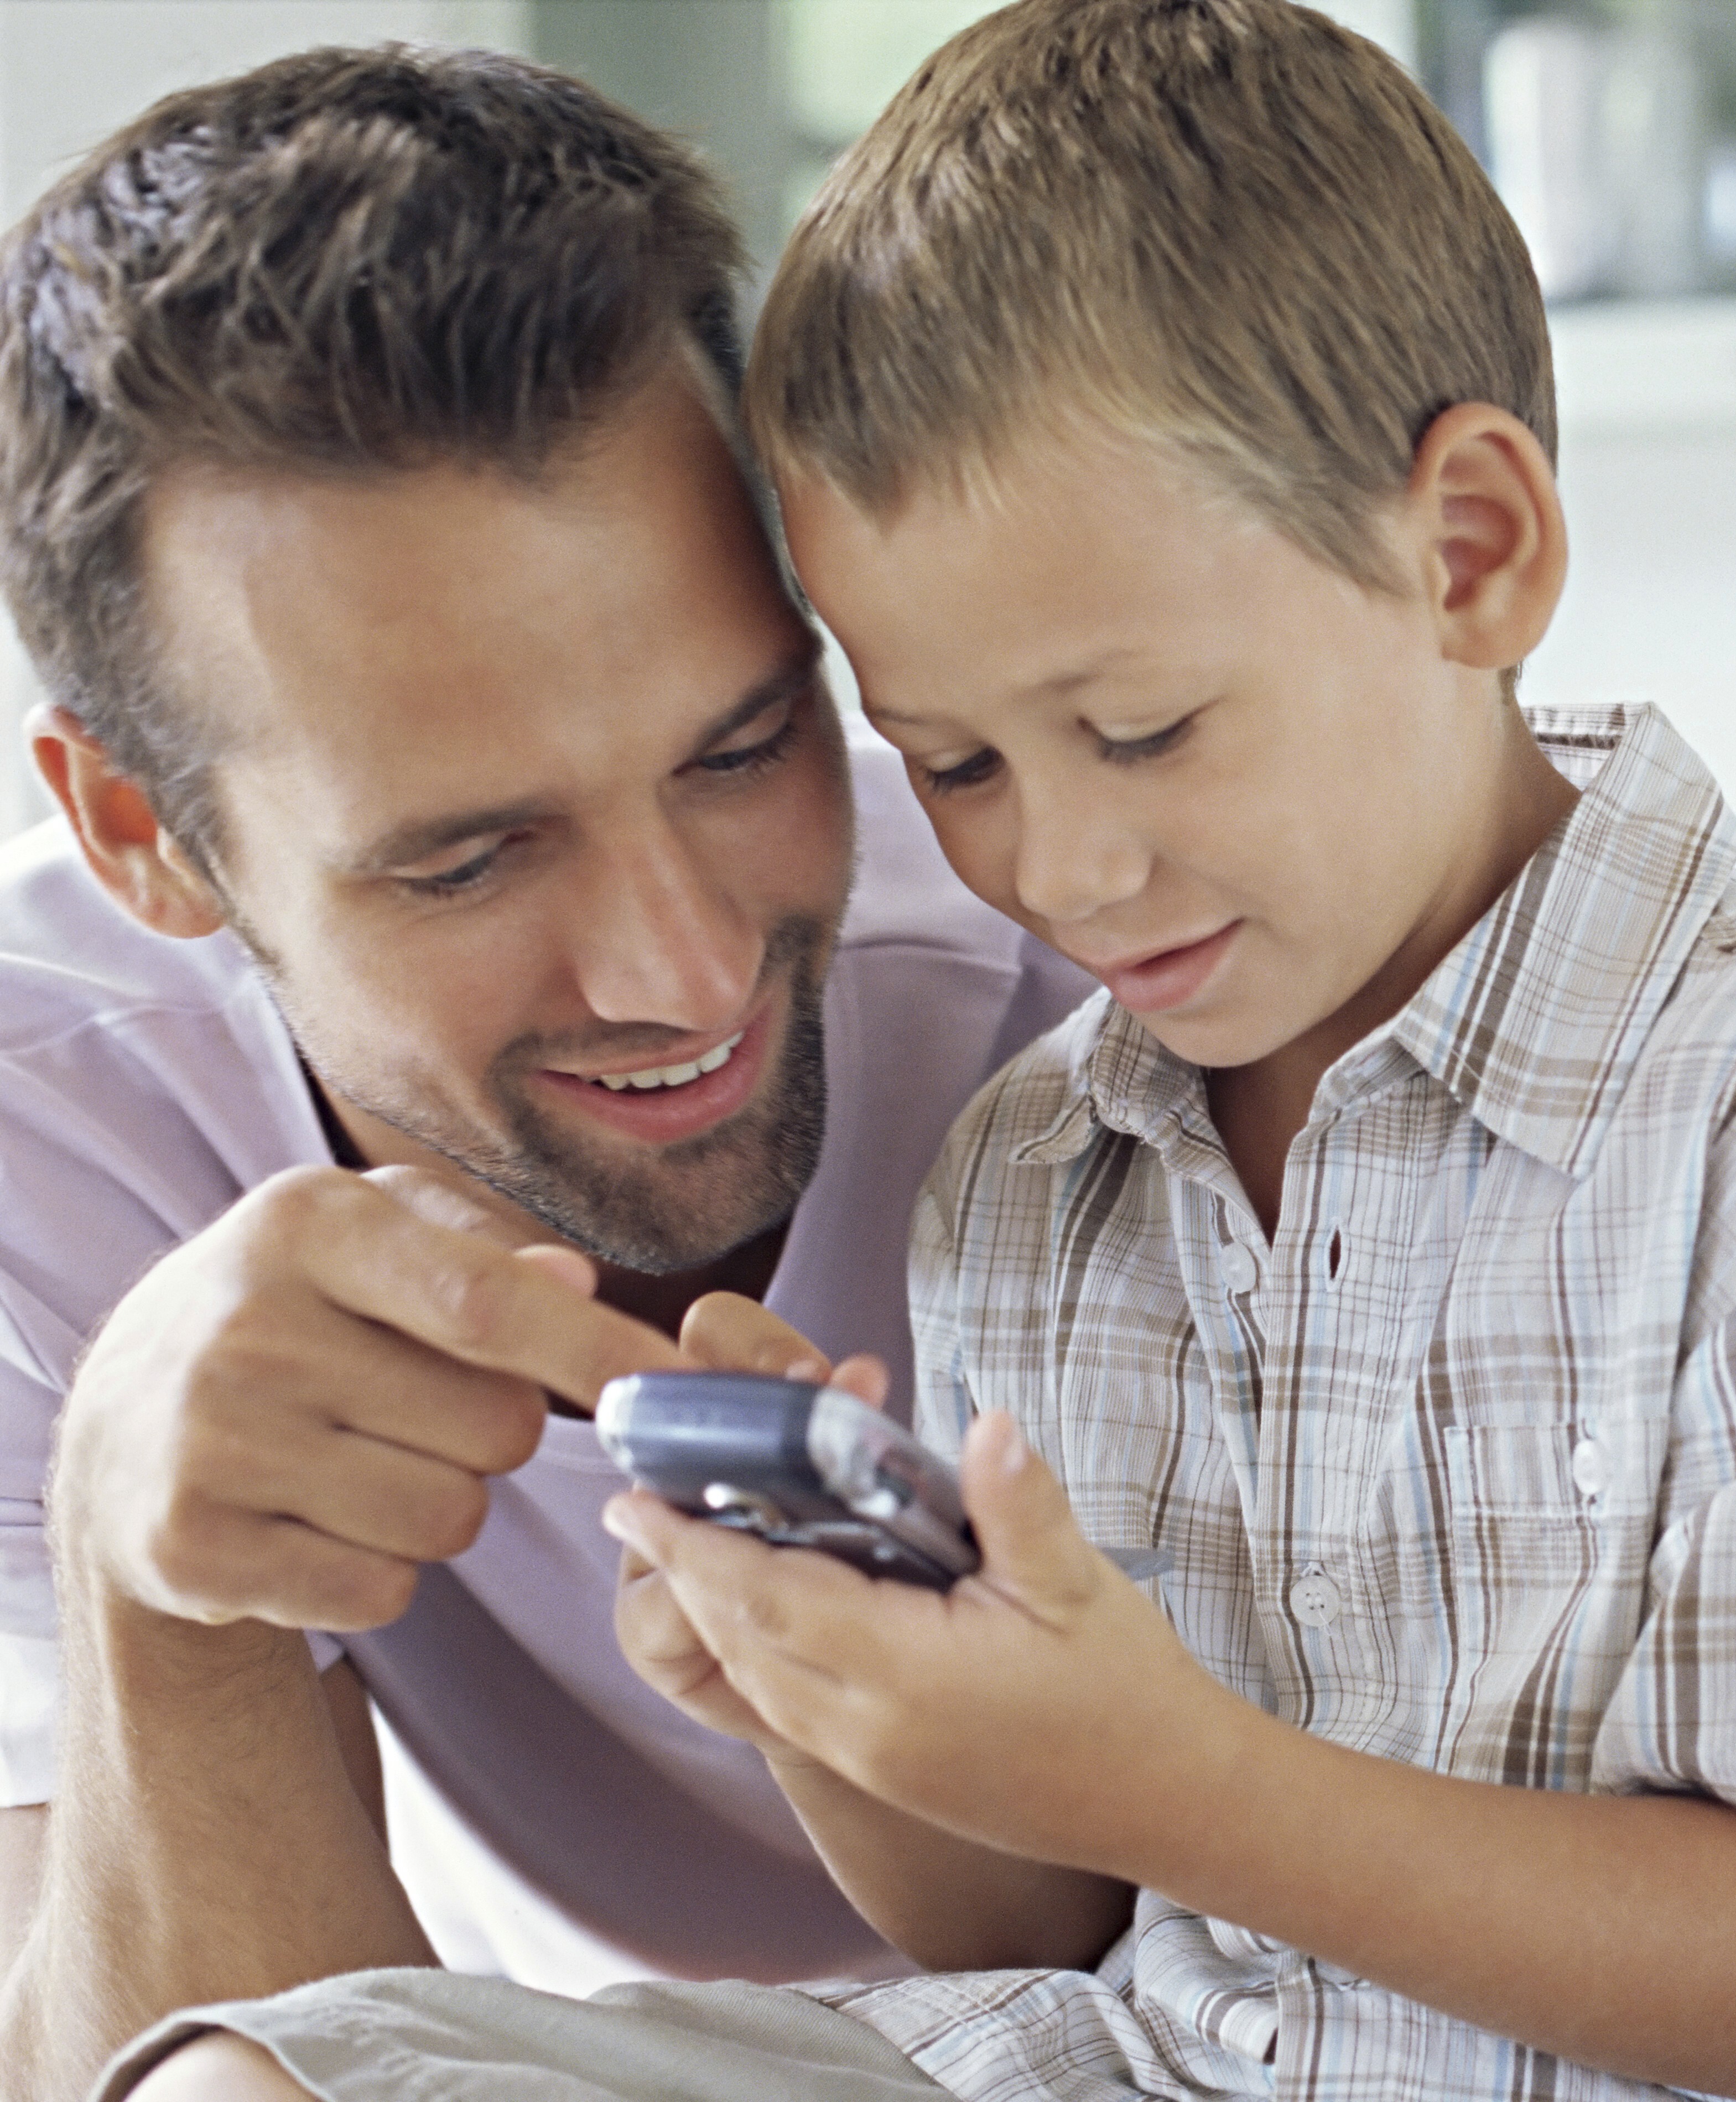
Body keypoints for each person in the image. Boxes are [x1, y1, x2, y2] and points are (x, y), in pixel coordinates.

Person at [113, 3, 1736, 2098]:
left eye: (1145, 730)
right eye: (958, 764)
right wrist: (828, 1694)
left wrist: (1184, 1788)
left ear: (1469, 554)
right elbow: (1034, 1921)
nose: (1065, 869)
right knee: (251, 2085)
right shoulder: (1033, 1176)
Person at [0, 44, 1094, 2100]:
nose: (680, 968)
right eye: (468, 854)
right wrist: (158, 1588)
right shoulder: (38, 1138)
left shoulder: (1101, 963)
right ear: (141, 835)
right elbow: (165, 2072)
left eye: (744, 749)